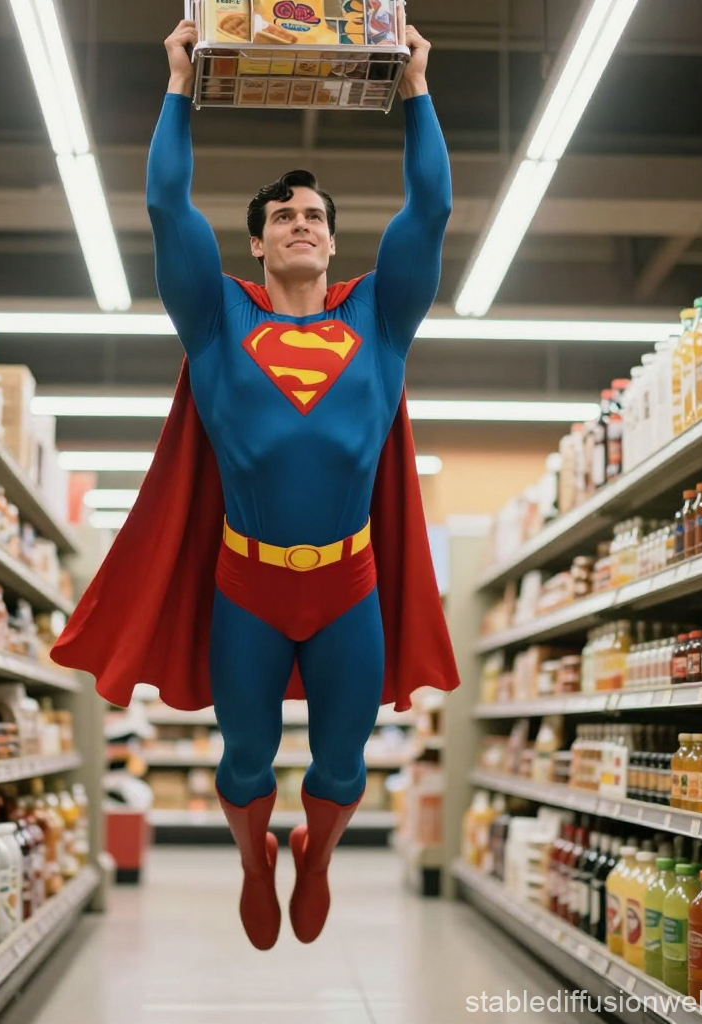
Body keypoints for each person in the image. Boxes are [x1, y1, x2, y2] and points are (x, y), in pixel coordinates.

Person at [52, 18, 460, 950]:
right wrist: (178, 85)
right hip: (248, 584)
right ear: (261, 246)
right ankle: (253, 860)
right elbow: (165, 206)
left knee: (345, 764)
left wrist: (417, 92)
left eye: (315, 215)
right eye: (283, 217)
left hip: (348, 583)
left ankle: (314, 857)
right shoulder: (218, 323)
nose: (302, 224)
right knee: (242, 763)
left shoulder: (380, 322)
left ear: (331, 240)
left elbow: (429, 211)